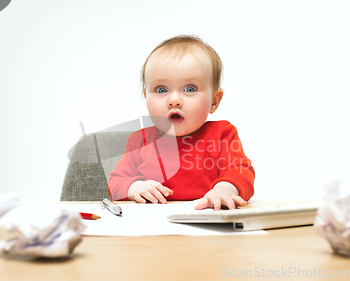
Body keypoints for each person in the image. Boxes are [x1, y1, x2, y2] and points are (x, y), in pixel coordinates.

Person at [108, 35, 254, 210]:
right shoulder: (139, 141)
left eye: (189, 89)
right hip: (153, 226)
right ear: (147, 97)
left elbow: (240, 171)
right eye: (161, 90)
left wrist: (224, 189)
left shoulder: (223, 134)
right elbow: (116, 182)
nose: (174, 100)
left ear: (214, 101)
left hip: (207, 221)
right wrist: (135, 188)